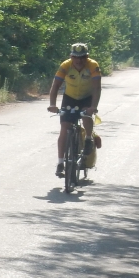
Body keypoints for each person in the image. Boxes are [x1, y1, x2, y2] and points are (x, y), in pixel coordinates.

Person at [47, 43, 101, 177]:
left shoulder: (93, 65)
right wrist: (52, 104)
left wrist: (93, 107)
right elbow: (55, 86)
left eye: (82, 57)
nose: (79, 60)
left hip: (86, 97)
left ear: (87, 57)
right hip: (70, 98)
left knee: (86, 116)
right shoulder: (65, 65)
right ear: (71, 57)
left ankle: (88, 139)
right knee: (64, 128)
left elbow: (97, 87)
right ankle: (60, 163)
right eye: (75, 57)